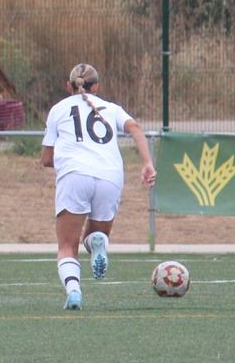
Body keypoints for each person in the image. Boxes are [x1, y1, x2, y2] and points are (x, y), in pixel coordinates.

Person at [39, 63, 155, 311]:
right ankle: (98, 242)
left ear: (68, 86)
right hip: (110, 175)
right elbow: (134, 127)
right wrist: (147, 163)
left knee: (67, 246)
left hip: (75, 175)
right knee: (94, 235)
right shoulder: (112, 109)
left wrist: (67, 158)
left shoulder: (59, 109)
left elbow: (46, 159)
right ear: (98, 86)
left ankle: (74, 291)